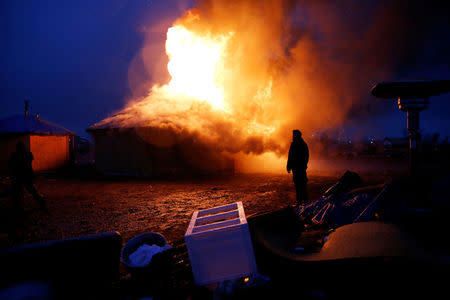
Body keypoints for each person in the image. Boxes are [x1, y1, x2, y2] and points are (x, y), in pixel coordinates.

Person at [8, 141, 46, 211]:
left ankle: (18, 207)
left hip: (19, 176)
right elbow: (29, 162)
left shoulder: (16, 155)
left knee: (19, 192)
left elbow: (11, 164)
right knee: (29, 190)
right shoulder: (27, 154)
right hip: (24, 176)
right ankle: (41, 201)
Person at [287, 130, 309, 206]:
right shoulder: (302, 144)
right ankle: (301, 201)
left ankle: (303, 201)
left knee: (300, 184)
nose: (292, 136)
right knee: (299, 184)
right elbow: (290, 156)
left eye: (294, 135)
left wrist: (289, 166)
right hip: (298, 168)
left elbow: (291, 156)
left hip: (299, 168)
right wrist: (289, 166)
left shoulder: (299, 145)